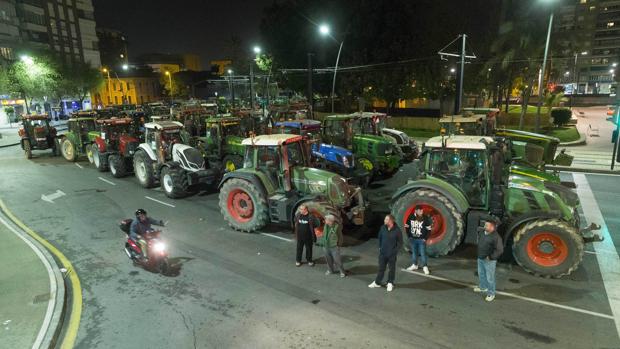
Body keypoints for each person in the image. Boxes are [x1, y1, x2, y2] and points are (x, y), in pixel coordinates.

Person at [369, 214, 403, 292]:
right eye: (385, 219)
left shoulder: (397, 230)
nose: (384, 221)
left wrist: (394, 251)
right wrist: (380, 247)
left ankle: (390, 283)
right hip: (383, 253)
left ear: (391, 221)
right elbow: (380, 237)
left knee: (391, 269)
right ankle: (377, 282)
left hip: (391, 255)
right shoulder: (382, 228)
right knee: (381, 268)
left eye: (386, 219)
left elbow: (400, 243)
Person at [474, 219, 504, 302]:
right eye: (485, 225)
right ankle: (483, 287)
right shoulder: (482, 233)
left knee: (490, 278)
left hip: (489, 261)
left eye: (486, 225)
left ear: (492, 227)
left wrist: (491, 257)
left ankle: (491, 293)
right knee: (481, 274)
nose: (484, 226)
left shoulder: (496, 237)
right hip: (480, 257)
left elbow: (500, 250)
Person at [405, 206, 432, 274]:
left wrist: (425, 238)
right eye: (420, 211)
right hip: (413, 239)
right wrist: (409, 236)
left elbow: (429, 229)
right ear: (416, 211)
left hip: (421, 240)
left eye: (422, 211)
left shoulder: (425, 217)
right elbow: (407, 226)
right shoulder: (411, 216)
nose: (422, 212)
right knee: (414, 253)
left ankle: (425, 267)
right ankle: (414, 265)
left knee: (423, 253)